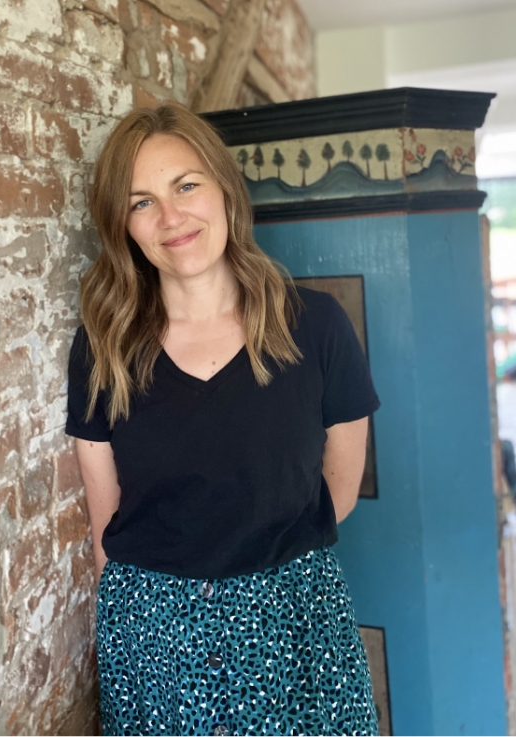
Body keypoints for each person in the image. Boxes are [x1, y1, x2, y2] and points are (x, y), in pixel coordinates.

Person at [66, 103, 381, 737]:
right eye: (141, 201)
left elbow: (337, 493)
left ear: (224, 190)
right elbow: (108, 528)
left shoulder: (315, 326)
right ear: (122, 225)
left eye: (186, 185)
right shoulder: (103, 347)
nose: (172, 216)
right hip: (155, 635)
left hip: (296, 624)